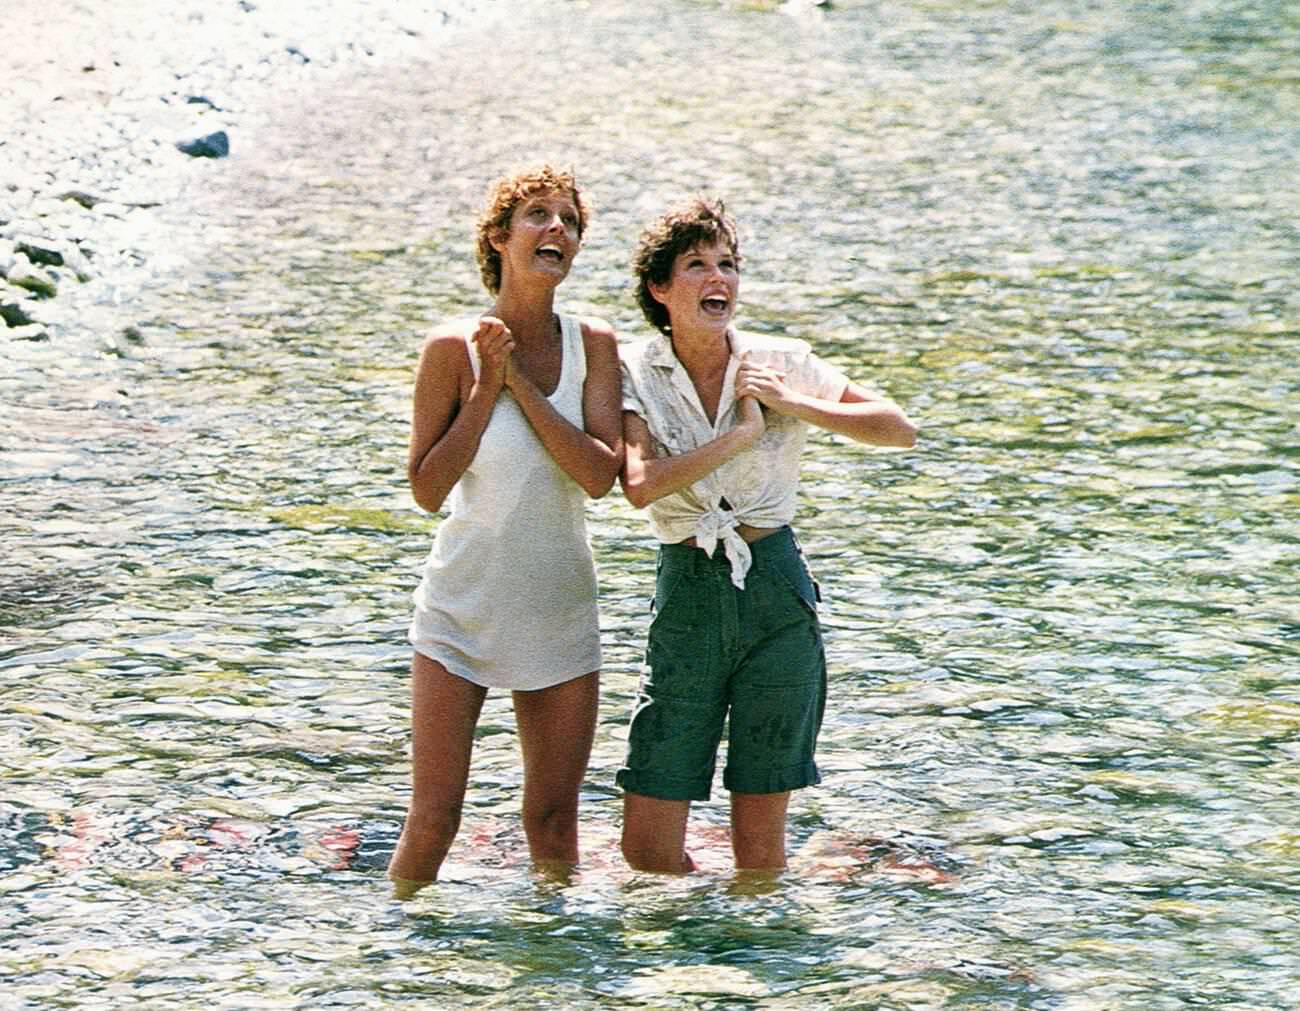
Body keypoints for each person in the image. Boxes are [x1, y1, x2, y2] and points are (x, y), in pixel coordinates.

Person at [616, 197, 917, 874]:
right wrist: (742, 436)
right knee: (647, 845)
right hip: (688, 588)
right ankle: (683, 960)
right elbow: (639, 483)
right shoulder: (631, 367)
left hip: (776, 589)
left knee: (759, 850)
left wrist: (793, 403)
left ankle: (747, 971)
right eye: (696, 265)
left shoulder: (777, 359)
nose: (717, 278)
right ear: (660, 288)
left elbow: (898, 429)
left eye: (727, 264)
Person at [387, 166, 623, 893]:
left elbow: (598, 474)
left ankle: (553, 980)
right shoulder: (450, 348)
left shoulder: (595, 345)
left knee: (553, 822)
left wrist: (520, 382)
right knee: (435, 819)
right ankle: (389, 965)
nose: (558, 228)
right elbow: (427, 490)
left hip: (558, 605)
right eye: (539, 215)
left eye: (570, 221)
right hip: (462, 607)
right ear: (499, 237)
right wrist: (487, 385)